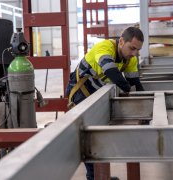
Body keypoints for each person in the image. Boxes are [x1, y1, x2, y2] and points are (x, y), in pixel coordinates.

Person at [65, 27, 144, 180]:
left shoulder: (131, 59)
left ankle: (101, 176)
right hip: (81, 93)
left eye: (137, 50)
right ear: (121, 41)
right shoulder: (104, 47)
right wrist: (127, 89)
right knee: (89, 138)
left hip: (97, 94)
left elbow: (136, 84)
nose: (134, 53)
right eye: (132, 48)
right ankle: (94, 177)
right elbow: (110, 71)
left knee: (99, 137)